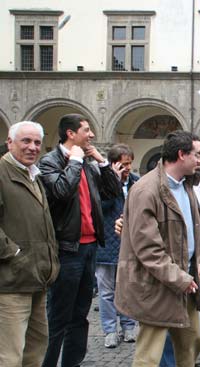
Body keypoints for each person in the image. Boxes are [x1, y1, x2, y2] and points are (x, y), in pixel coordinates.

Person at [114, 130, 200, 366]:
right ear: (181, 154)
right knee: (149, 355)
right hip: (155, 287)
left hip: (185, 283)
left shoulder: (186, 186)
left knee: (191, 342)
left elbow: (197, 229)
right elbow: (148, 248)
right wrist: (180, 278)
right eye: (196, 154)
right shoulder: (146, 190)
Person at [39, 114, 121, 367]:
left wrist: (102, 162)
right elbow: (62, 191)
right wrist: (75, 161)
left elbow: (113, 191)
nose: (92, 135)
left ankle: (72, 363)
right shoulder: (50, 162)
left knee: (80, 315)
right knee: (59, 316)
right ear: (71, 134)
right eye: (87, 130)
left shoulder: (86, 163)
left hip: (89, 248)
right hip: (66, 250)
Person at [0, 121, 59, 367]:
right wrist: (14, 254)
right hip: (11, 282)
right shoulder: (3, 172)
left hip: (37, 278)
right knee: (10, 356)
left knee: (35, 351)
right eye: (25, 141)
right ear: (10, 143)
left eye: (37, 142)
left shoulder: (33, 174)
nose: (32, 147)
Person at [96, 144, 138, 348]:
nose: (127, 167)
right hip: (106, 246)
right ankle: (110, 330)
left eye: (129, 163)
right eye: (123, 164)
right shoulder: (102, 183)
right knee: (106, 292)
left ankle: (129, 326)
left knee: (127, 288)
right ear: (114, 164)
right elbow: (100, 208)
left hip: (130, 245)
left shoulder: (136, 183)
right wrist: (111, 181)